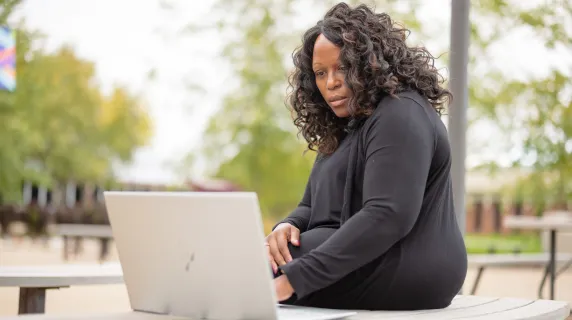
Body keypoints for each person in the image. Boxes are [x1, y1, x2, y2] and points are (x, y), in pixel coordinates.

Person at [265, 2, 468, 311]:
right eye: (321, 73)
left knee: (246, 271)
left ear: (372, 62)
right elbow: (310, 205)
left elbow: (387, 216)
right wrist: (286, 226)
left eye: (343, 67)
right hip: (361, 256)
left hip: (410, 268)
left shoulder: (401, 113)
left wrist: (295, 279)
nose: (331, 82)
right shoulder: (345, 127)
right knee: (252, 260)